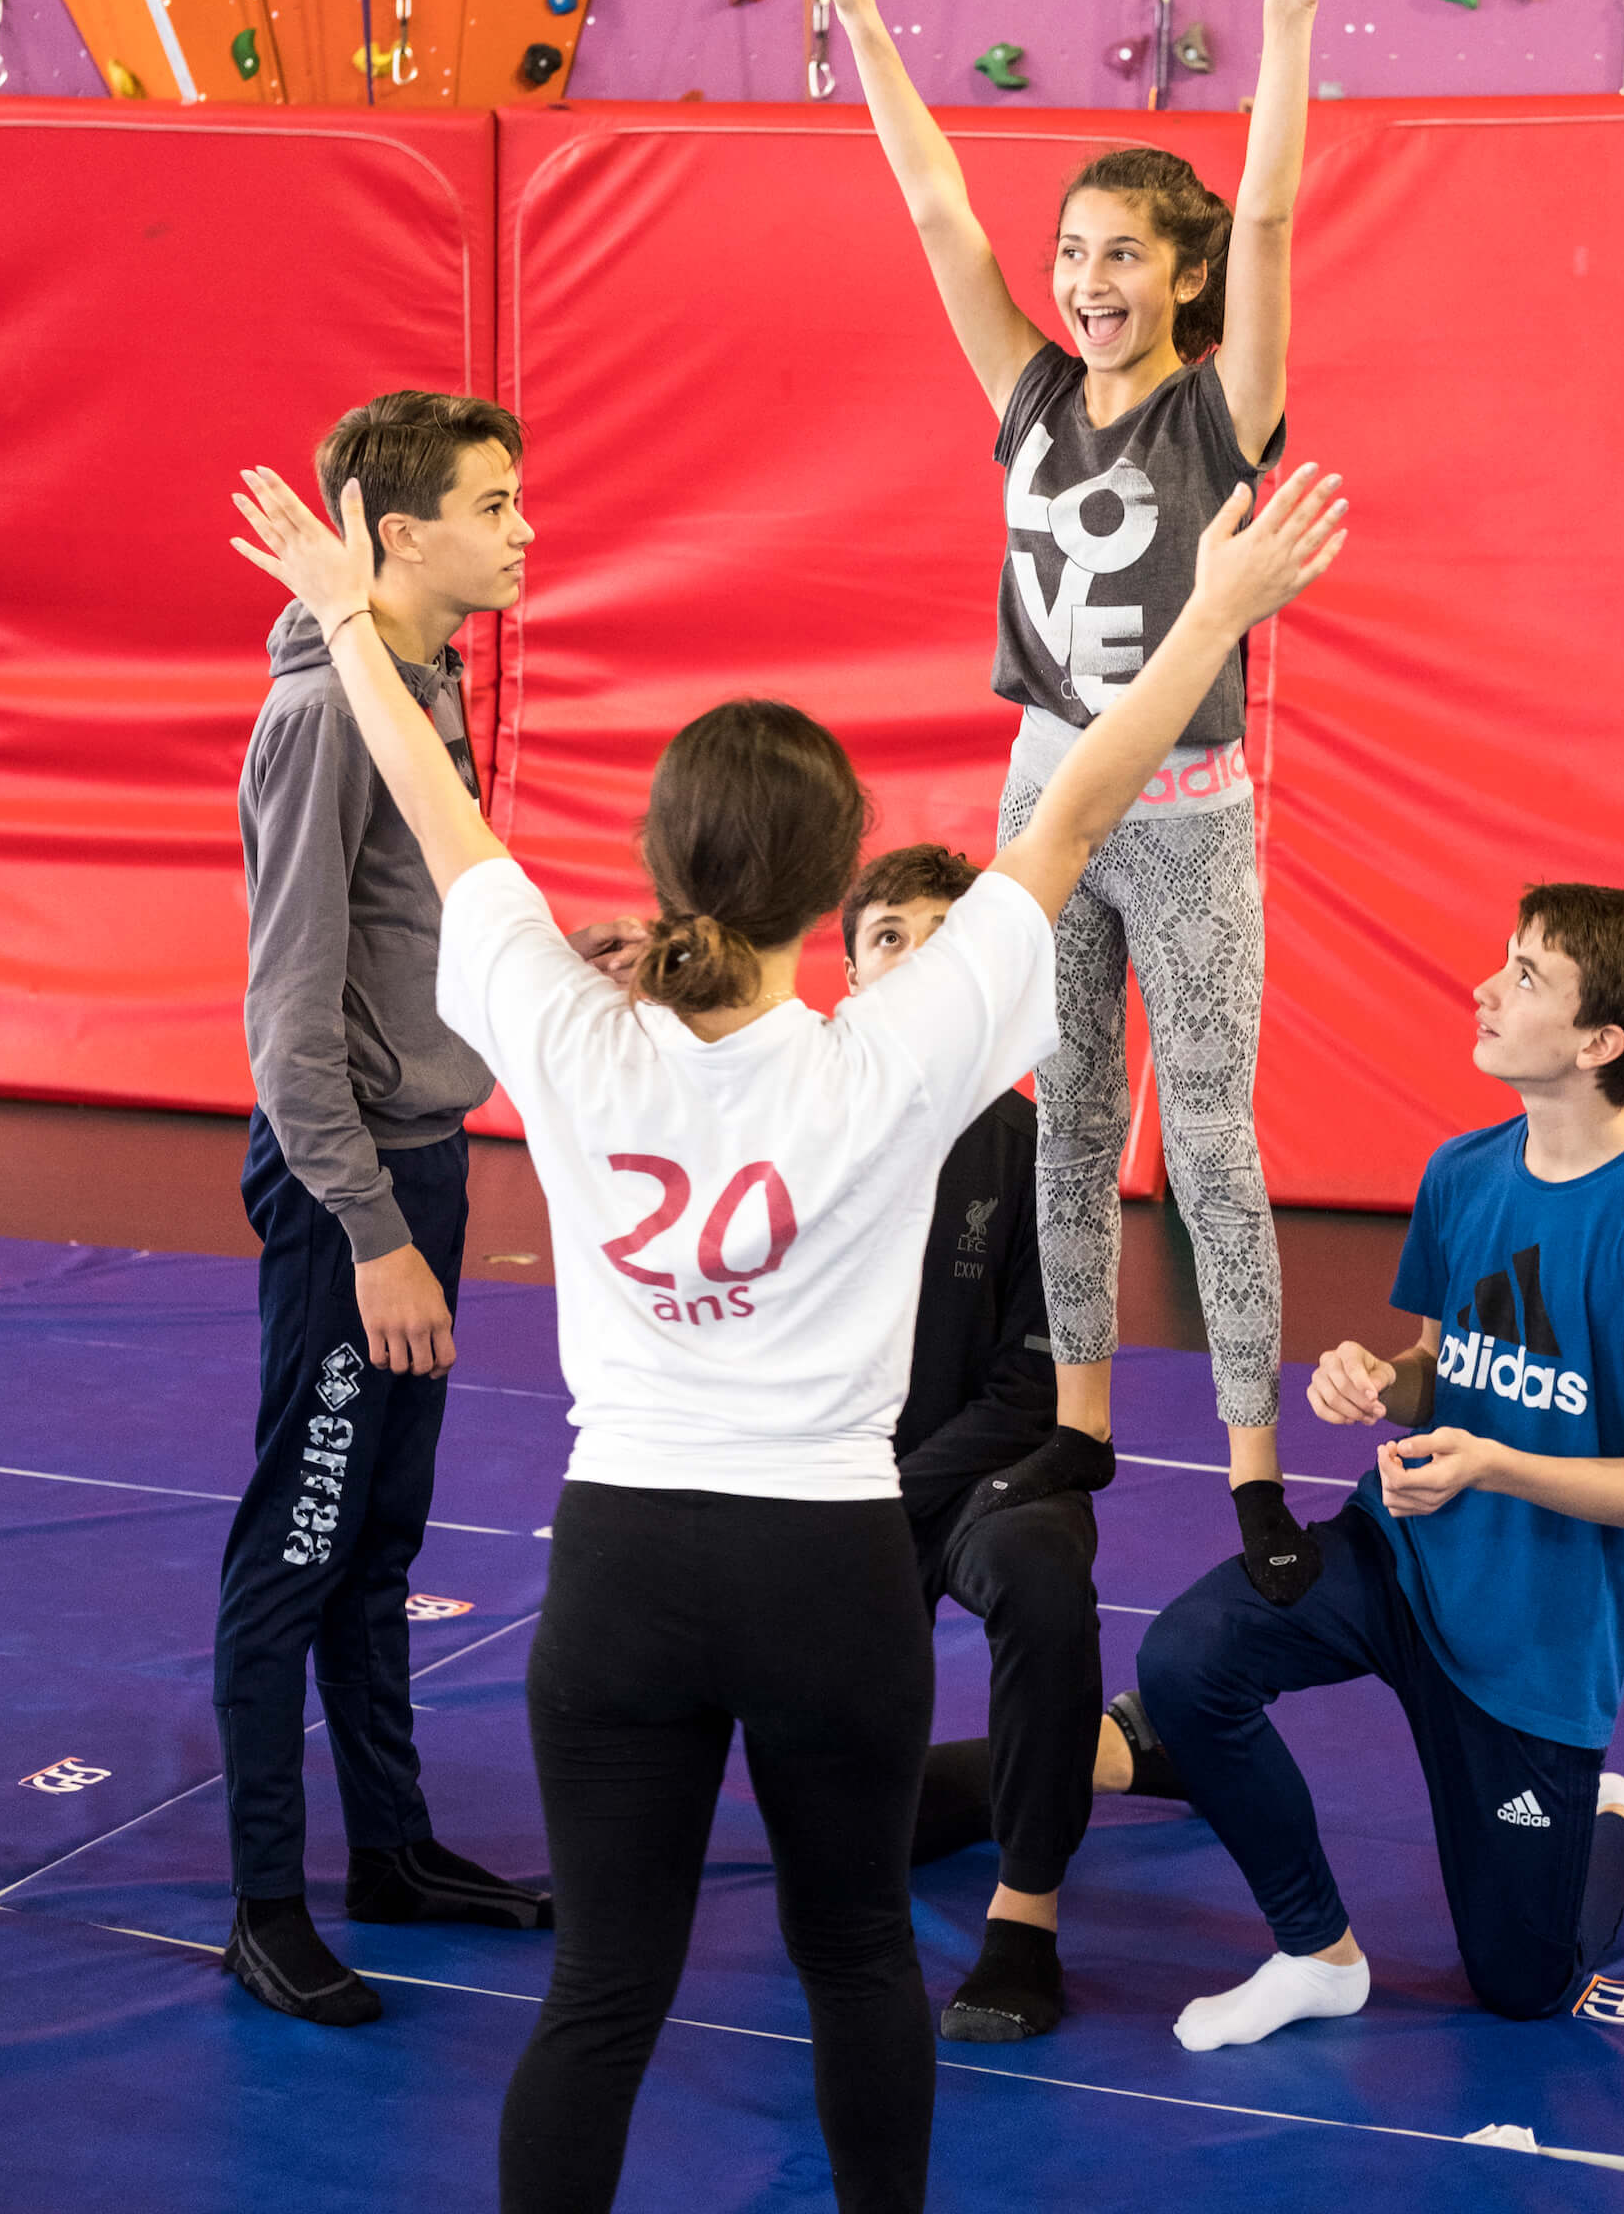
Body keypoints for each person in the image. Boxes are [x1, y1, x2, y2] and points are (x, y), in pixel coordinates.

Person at [227, 445, 1347, 2214]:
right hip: (824, 1569)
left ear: (665, 860)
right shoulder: (892, 1051)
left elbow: (442, 817)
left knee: (600, 1995)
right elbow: (1068, 817)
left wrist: (334, 613)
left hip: (621, 1570)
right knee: (853, 1965)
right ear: (835, 901)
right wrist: (1215, 609)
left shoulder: (564, 1022)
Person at [799, 0, 1387, 1609]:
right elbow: (935, 218)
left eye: (1123, 255)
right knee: (1065, 1112)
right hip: (1048, 779)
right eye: (1074, 253)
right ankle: (1079, 1411)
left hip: (1189, 807)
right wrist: (866, 29)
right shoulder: (1035, 397)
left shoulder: (1225, 411)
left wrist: (1283, 23)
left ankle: (1255, 1460)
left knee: (1206, 1135)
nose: (1084, 279)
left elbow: (1276, 222)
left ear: (1187, 272)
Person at [1136, 885, 1624, 2048]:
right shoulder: (1464, 1172)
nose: (1484, 987)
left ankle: (1598, 1828)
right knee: (1185, 1663)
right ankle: (1316, 1953)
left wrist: (1493, 1465)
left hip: (1530, 1639)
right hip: (1399, 1553)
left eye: (1523, 976)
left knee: (1520, 1982)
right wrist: (1370, 1374)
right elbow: (1435, 1362)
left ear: (1598, 1042)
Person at [214, 391, 548, 2030]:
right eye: (494, 504)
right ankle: (266, 1906)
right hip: (349, 1183)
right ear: (397, 535)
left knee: (381, 1539)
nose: (523, 528)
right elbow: (287, 1022)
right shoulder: (328, 716)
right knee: (300, 1539)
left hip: (421, 1150)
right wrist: (369, 1232)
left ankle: (393, 1852)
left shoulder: (419, 677)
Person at [839, 845, 1188, 2049]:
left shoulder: (1051, 1155)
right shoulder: (791, 1121)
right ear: (844, 972)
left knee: (1041, 1577)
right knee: (844, 1838)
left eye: (947, 934)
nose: (917, 955)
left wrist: (880, 1496)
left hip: (981, 1476)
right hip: (830, 1480)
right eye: (889, 934)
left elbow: (1034, 1390)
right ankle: (1118, 1753)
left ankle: (1023, 1915)